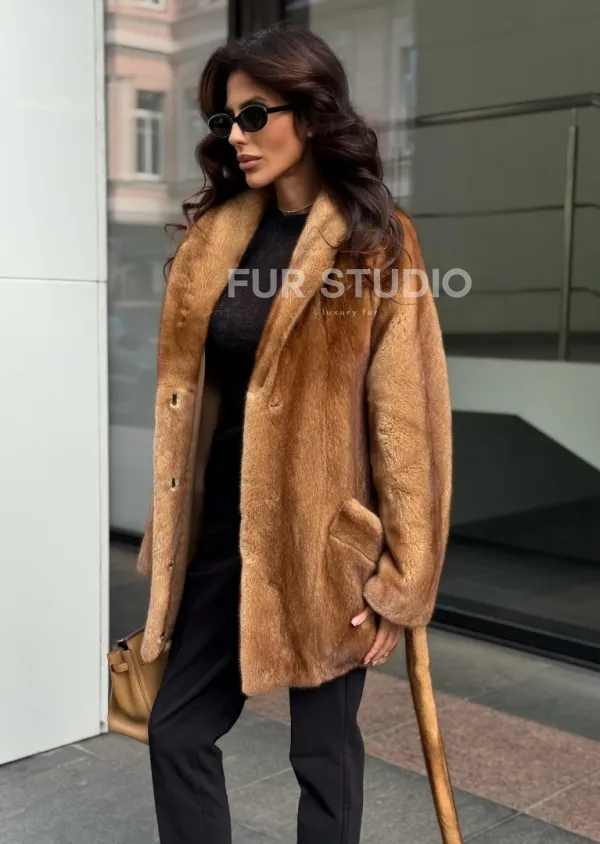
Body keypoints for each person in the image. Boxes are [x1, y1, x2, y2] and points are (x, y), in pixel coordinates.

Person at [136, 20, 460, 844]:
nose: (237, 137)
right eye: (226, 121)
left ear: (310, 115)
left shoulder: (375, 242)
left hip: (326, 546)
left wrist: (403, 578)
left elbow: (409, 422)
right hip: (221, 536)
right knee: (175, 732)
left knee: (323, 757)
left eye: (255, 116)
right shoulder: (216, 238)